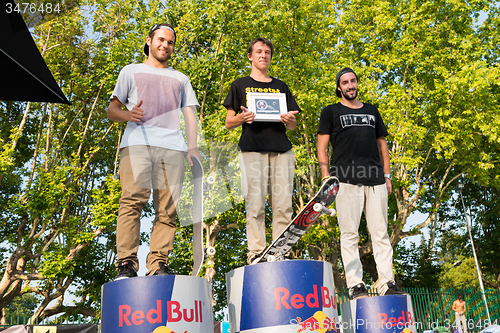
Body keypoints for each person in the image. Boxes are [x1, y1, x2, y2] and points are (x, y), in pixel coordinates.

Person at [107, 23, 201, 279]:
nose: (165, 46)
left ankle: (158, 264)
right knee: (132, 201)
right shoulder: (130, 71)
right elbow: (111, 110)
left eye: (170, 42)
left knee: (168, 210)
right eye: (161, 40)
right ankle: (126, 264)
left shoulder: (181, 79)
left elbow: (190, 115)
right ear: (149, 40)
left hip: (173, 147)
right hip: (137, 143)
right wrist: (128, 114)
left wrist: (192, 147)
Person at [317, 67, 402, 299]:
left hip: (375, 180)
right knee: (349, 234)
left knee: (380, 234)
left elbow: (382, 144)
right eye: (345, 82)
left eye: (353, 81)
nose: (350, 85)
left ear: (357, 84)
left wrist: (387, 175)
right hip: (345, 180)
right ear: (339, 87)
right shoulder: (330, 112)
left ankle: (387, 283)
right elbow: (322, 146)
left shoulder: (372, 111)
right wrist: (326, 177)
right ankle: (356, 285)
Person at [223, 37, 300, 265]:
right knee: (255, 204)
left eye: (267, 52)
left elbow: (293, 124)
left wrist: (289, 121)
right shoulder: (239, 85)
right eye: (259, 51)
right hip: (252, 150)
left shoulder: (281, 86)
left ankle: (280, 251)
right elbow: (229, 122)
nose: (263, 55)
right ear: (250, 56)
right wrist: (242, 117)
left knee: (283, 204)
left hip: (282, 150)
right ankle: (256, 252)